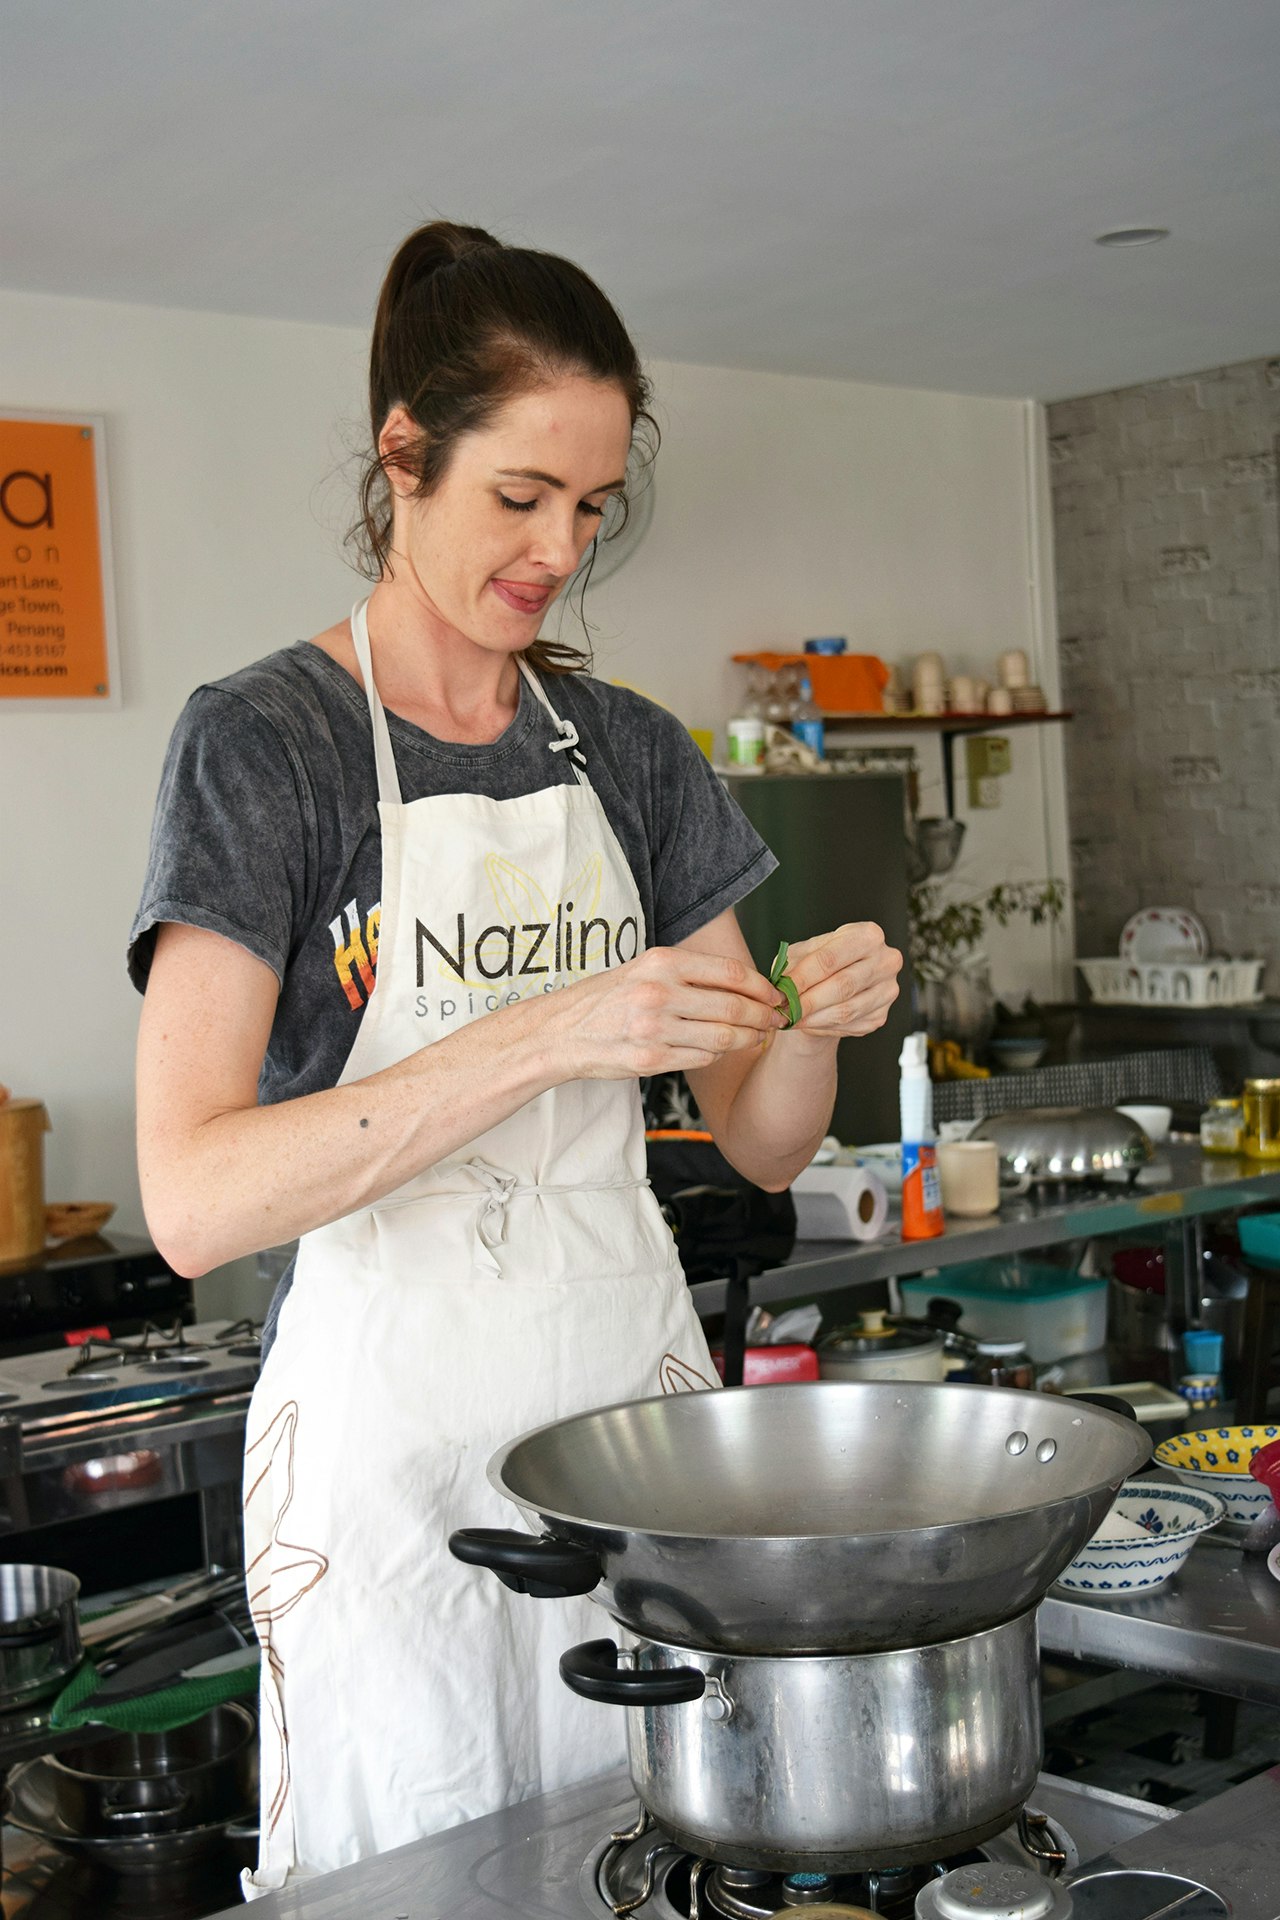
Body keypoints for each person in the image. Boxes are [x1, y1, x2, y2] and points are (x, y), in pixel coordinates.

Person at [129, 219, 902, 1892]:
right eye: (521, 496)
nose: (561, 550)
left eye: (594, 506)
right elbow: (192, 1200)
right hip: (391, 1452)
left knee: (663, 1846)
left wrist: (814, 1021)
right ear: (406, 456)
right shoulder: (266, 743)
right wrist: (548, 1032)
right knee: (423, 1872)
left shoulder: (627, 750)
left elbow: (763, 1140)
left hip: (630, 1432)